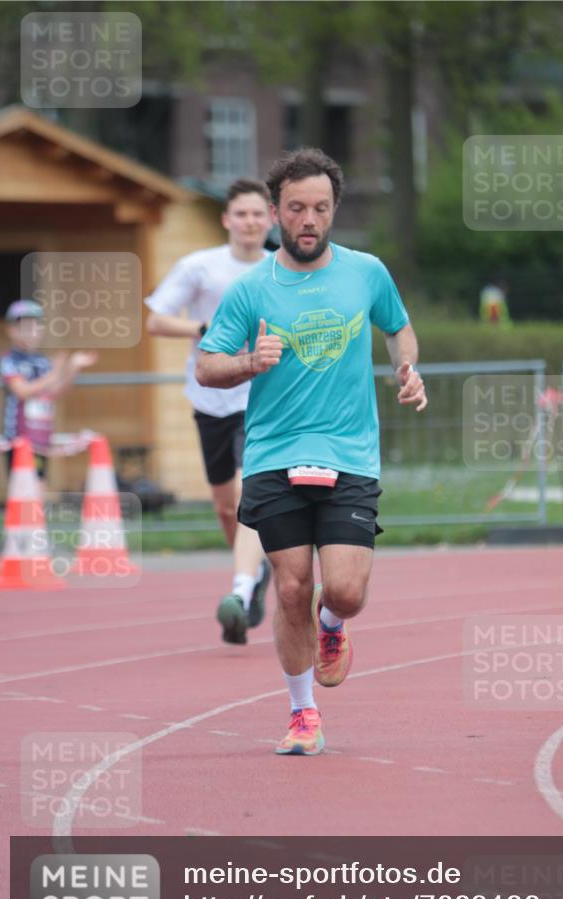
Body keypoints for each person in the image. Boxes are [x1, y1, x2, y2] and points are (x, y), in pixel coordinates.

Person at [196, 148, 427, 755]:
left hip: (350, 453)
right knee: (293, 586)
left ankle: (333, 624)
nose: (309, 220)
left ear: (334, 210)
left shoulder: (366, 272)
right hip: (274, 454)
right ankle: (303, 713)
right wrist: (248, 362)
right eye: (296, 208)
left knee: (343, 590)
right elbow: (206, 365)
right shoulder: (251, 289)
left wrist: (407, 368)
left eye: (320, 208)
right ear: (276, 212)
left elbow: (398, 328)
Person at [145, 178, 273, 645]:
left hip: (259, 397)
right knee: (224, 506)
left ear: (270, 219)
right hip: (211, 396)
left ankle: (241, 588)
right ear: (226, 220)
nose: (250, 222)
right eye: (241, 214)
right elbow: (156, 319)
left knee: (246, 492)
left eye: (258, 214)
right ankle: (254, 573)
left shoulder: (279, 268)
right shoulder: (200, 266)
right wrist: (202, 328)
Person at [0, 299, 97, 478]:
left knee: (39, 483)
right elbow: (22, 391)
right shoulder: (10, 360)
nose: (30, 332)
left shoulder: (43, 362)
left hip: (41, 436)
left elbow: (54, 392)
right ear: (11, 330)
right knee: (21, 485)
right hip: (18, 438)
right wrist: (54, 373)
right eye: (24, 327)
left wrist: (72, 367)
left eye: (35, 326)